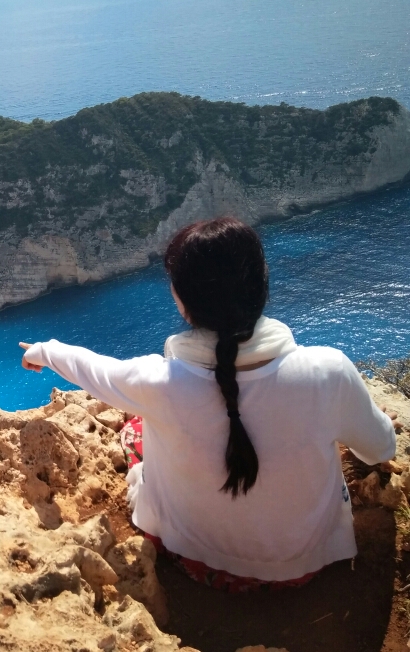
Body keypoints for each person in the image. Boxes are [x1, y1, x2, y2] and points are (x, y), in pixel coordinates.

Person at [20, 217, 396, 591]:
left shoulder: (157, 382)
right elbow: (381, 447)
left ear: (185, 303)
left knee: (136, 430)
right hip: (307, 562)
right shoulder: (328, 370)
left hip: (197, 559)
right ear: (262, 284)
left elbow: (95, 370)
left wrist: (45, 352)